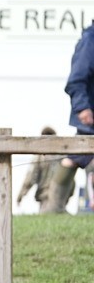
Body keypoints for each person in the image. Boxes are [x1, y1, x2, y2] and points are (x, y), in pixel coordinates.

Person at [55, 24, 94, 214]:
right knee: (77, 157)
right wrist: (83, 107)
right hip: (90, 118)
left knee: (74, 158)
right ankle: (52, 206)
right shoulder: (90, 40)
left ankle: (52, 206)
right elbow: (76, 79)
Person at [16, 127, 70, 213]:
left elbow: (31, 177)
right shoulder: (63, 156)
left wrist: (21, 195)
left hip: (45, 196)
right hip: (61, 196)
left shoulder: (39, 156)